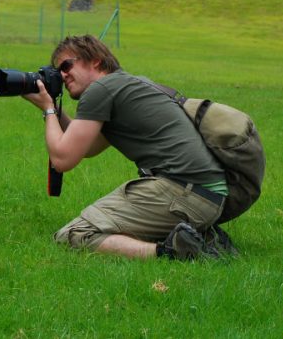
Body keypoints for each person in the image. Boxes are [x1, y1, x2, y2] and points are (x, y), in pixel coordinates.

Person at [21, 34, 236, 260]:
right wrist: (54, 107)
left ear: (96, 60)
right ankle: (205, 238)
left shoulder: (100, 90)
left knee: (75, 234)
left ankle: (170, 251)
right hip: (208, 197)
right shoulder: (125, 84)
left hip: (182, 194)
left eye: (66, 65)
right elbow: (88, 147)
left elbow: (63, 160)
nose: (62, 75)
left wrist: (48, 110)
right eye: (57, 71)